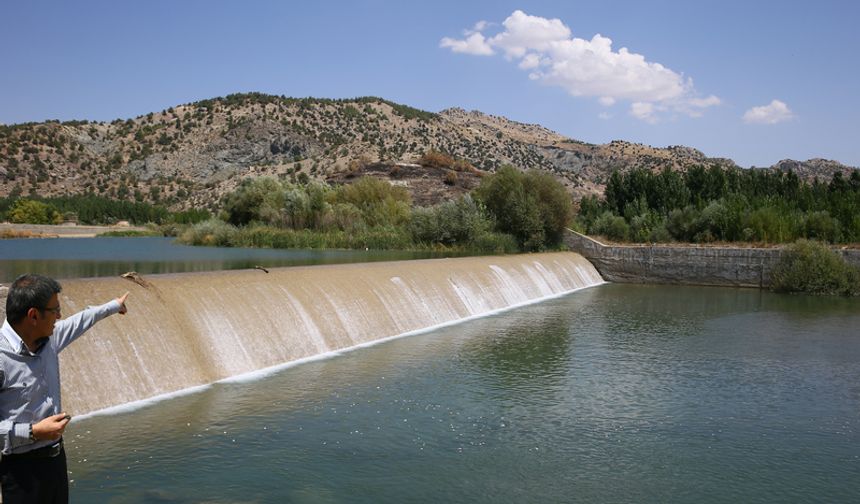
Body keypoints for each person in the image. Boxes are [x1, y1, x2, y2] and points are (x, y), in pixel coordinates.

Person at [0, 274, 129, 504]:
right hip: (22, 475)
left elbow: (83, 319)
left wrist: (114, 306)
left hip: (56, 463)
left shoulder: (50, 338)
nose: (59, 316)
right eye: (55, 310)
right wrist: (33, 432)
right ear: (33, 316)